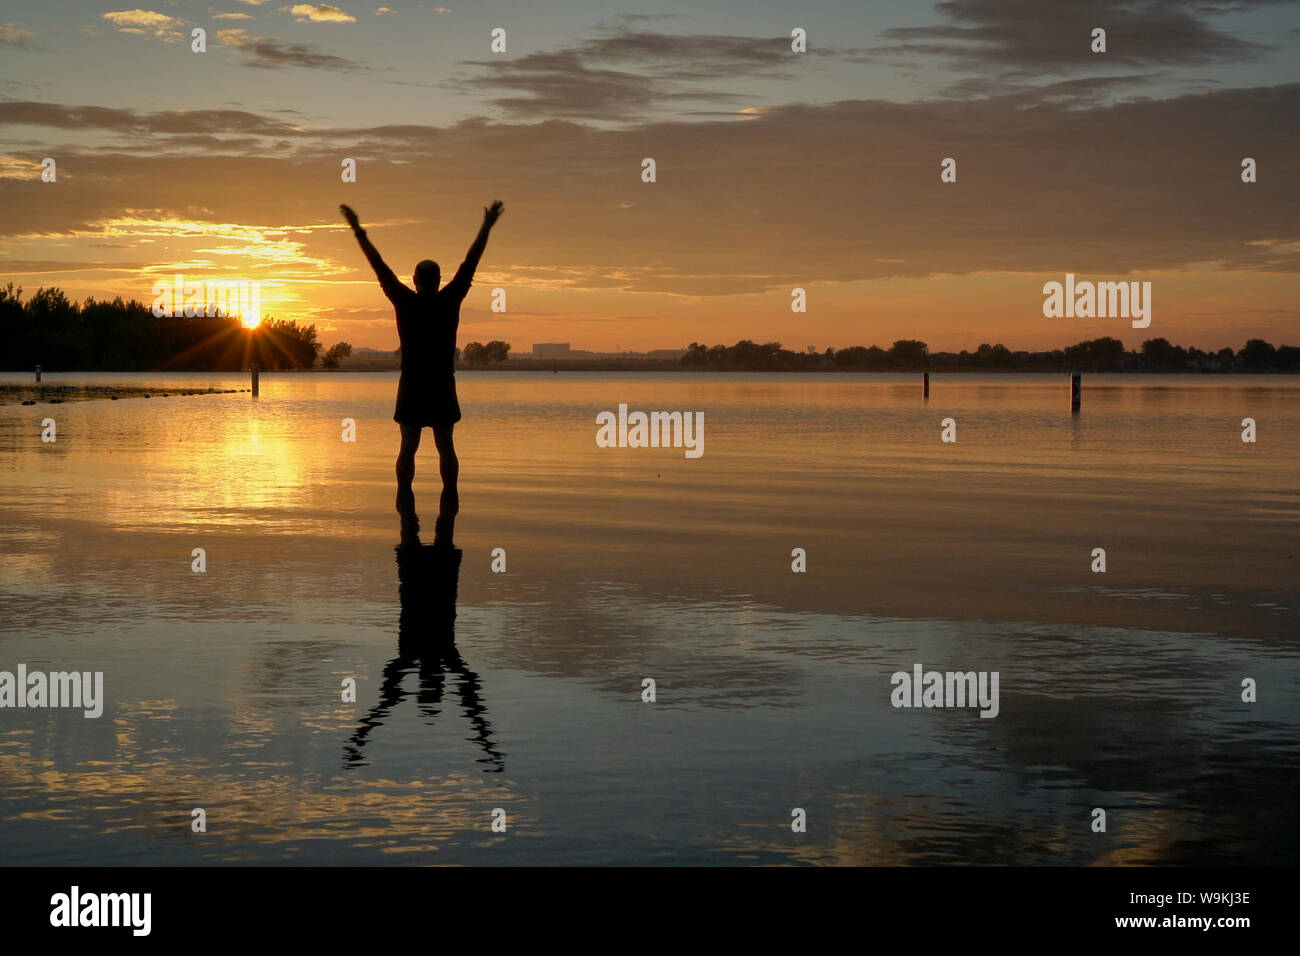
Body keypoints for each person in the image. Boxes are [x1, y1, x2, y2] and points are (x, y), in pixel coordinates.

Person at [341, 200, 504, 513]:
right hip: (442, 383)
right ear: (439, 280)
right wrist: (486, 226)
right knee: (446, 447)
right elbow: (471, 262)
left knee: (408, 446)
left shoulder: (404, 300)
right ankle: (449, 504)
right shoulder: (450, 299)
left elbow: (379, 266)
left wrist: (358, 230)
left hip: (413, 384)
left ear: (415, 280)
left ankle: (405, 509)